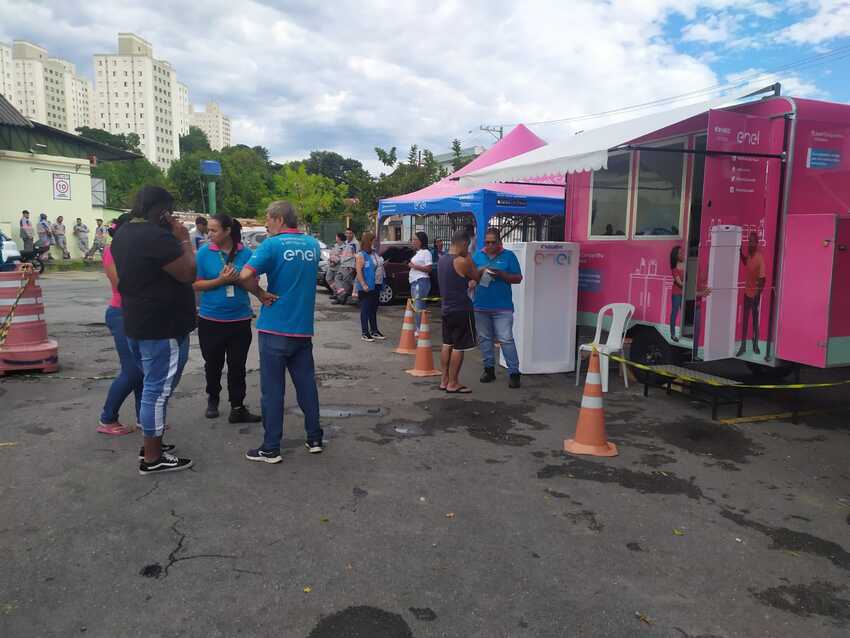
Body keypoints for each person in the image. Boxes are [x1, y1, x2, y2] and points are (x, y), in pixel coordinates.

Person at [111, 186, 197, 476]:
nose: (171, 216)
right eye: (169, 210)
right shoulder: (156, 237)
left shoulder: (122, 233)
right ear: (160, 209)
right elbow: (188, 273)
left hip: (138, 321)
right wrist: (185, 241)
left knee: (154, 388)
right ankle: (152, 457)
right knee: (157, 392)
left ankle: (153, 444)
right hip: (162, 325)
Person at [238, 200, 323, 464]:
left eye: (267, 218)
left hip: (275, 328)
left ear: (279, 219)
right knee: (306, 386)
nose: (265, 222)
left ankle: (271, 448)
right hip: (302, 329)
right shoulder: (312, 245)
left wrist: (260, 294)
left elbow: (244, 275)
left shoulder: (272, 245)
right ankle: (314, 438)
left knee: (273, 391)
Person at [193, 213, 262, 423]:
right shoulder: (203, 253)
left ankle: (237, 406)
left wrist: (240, 281)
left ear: (227, 231)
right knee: (212, 364)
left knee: (237, 366)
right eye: (209, 230)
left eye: (214, 230)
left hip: (239, 320)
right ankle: (213, 399)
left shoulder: (247, 253)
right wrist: (221, 280)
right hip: (210, 319)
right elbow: (196, 285)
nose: (209, 234)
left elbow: (252, 285)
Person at [96, 214, 143, 436]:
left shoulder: (133, 250)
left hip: (138, 313)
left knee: (143, 370)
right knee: (132, 371)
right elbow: (121, 284)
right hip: (122, 313)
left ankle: (145, 418)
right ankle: (107, 418)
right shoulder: (112, 251)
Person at [472, 227, 523, 388]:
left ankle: (514, 372)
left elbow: (518, 278)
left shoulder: (509, 256)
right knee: (485, 339)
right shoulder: (478, 256)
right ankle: (489, 370)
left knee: (506, 339)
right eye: (487, 242)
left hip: (503, 307)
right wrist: (478, 273)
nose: (490, 245)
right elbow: (470, 276)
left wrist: (502, 275)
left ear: (499, 242)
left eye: (493, 242)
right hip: (481, 305)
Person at [437, 230, 483, 393]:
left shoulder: (442, 260)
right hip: (461, 308)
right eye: (469, 245)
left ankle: (444, 380)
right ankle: (454, 382)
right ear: (464, 243)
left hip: (446, 308)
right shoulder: (462, 260)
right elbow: (477, 277)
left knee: (447, 343)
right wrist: (477, 264)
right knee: (459, 347)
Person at [737, 231, 765, 356]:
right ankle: (743, 346)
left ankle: (755, 345)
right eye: (749, 241)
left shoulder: (759, 257)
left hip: (754, 295)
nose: (750, 243)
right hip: (747, 294)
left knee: (754, 320)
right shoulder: (749, 256)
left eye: (753, 241)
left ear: (757, 243)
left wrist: (757, 295)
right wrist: (740, 254)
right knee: (745, 321)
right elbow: (745, 262)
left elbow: (763, 279)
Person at [355, 232, 385, 342]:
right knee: (365, 309)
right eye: (373, 241)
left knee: (373, 309)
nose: (375, 242)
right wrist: (363, 284)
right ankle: (365, 332)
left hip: (376, 284)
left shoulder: (374, 254)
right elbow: (358, 271)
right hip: (366, 286)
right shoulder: (361, 255)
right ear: (368, 241)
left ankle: (374, 330)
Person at [409, 231, 433, 334]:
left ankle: (419, 329)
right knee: (417, 306)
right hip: (414, 281)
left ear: (421, 241)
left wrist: (415, 266)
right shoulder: (418, 253)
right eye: (413, 239)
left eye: (415, 239)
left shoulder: (426, 253)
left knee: (419, 306)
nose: (413, 242)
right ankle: (420, 327)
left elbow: (429, 268)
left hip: (421, 281)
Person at [332, 228, 359, 304]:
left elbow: (357, 255)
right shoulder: (347, 243)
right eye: (347, 233)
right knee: (339, 279)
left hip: (349, 266)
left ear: (353, 234)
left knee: (346, 282)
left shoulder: (355, 244)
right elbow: (344, 253)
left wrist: (355, 267)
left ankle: (341, 298)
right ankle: (343, 295)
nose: (348, 234)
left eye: (350, 233)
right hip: (343, 264)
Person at [669, 246, 684, 342]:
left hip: (684, 293)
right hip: (677, 293)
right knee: (674, 313)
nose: (681, 254)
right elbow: (679, 282)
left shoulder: (685, 264)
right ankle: (673, 334)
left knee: (685, 313)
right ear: (675, 256)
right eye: (679, 253)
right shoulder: (674, 269)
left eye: (681, 252)